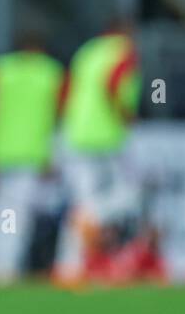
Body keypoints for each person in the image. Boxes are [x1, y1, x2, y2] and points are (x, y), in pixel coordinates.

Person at [53, 18, 142, 285]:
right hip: (105, 137)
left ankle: (68, 268)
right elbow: (116, 86)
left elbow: (65, 92)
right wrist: (126, 115)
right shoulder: (122, 51)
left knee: (82, 203)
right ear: (125, 30)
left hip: (73, 134)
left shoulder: (86, 52)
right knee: (129, 195)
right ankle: (94, 218)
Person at [0, 31, 64, 283]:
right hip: (29, 152)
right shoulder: (50, 72)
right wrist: (52, 153)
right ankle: (5, 266)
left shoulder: (0, 69)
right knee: (15, 213)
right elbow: (58, 115)